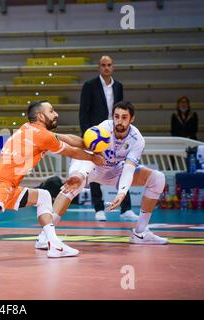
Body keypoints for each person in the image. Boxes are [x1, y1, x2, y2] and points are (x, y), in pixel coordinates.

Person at [0, 100, 105, 268]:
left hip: (5, 182)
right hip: (2, 183)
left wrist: (89, 143)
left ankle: (55, 245)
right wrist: (94, 157)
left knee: (44, 197)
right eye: (51, 111)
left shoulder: (28, 128)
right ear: (40, 116)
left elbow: (66, 138)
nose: (56, 114)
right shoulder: (43, 136)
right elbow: (72, 151)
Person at [35, 101, 168, 251]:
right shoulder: (104, 128)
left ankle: (140, 233)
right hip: (92, 163)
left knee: (158, 178)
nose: (119, 120)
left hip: (114, 170)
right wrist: (81, 175)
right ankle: (45, 235)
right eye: (116, 116)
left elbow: (129, 169)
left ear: (132, 119)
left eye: (124, 117)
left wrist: (122, 192)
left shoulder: (137, 140)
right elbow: (89, 155)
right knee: (73, 185)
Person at [79, 55, 137, 222]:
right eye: (103, 65)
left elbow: (123, 108)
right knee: (95, 167)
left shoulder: (118, 86)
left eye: (109, 65)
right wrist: (87, 136)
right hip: (97, 135)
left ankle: (126, 209)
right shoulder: (90, 86)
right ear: (99, 67)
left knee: (122, 167)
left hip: (116, 133)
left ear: (113, 67)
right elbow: (84, 112)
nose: (106, 68)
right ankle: (98, 208)